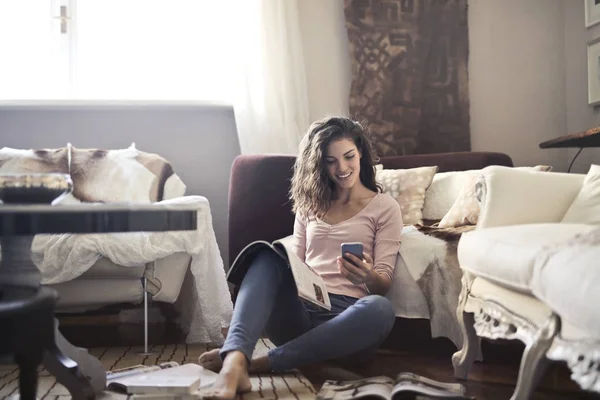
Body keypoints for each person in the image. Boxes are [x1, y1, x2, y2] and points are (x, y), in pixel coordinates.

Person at [199, 116, 403, 399]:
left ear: (361, 155)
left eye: (348, 157)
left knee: (380, 308)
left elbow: (384, 282)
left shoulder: (385, 207)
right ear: (320, 164)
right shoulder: (310, 206)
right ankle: (234, 361)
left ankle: (258, 364)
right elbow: (294, 265)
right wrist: (292, 278)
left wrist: (368, 277)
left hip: (349, 323)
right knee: (265, 254)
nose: (342, 168)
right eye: (331, 161)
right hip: (303, 312)